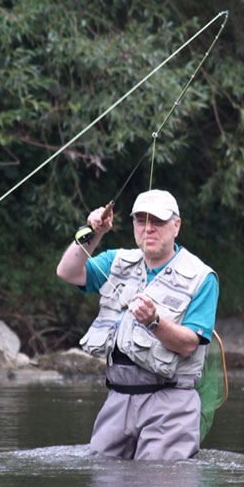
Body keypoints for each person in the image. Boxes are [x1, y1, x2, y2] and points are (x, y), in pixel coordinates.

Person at [55, 189, 219, 460]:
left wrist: (155, 323)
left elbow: (190, 344)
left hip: (171, 401)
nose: (148, 229)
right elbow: (68, 272)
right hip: (118, 399)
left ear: (176, 226)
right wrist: (92, 231)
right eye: (141, 221)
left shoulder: (201, 278)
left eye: (158, 221)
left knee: (156, 482)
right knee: (105, 479)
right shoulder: (116, 261)